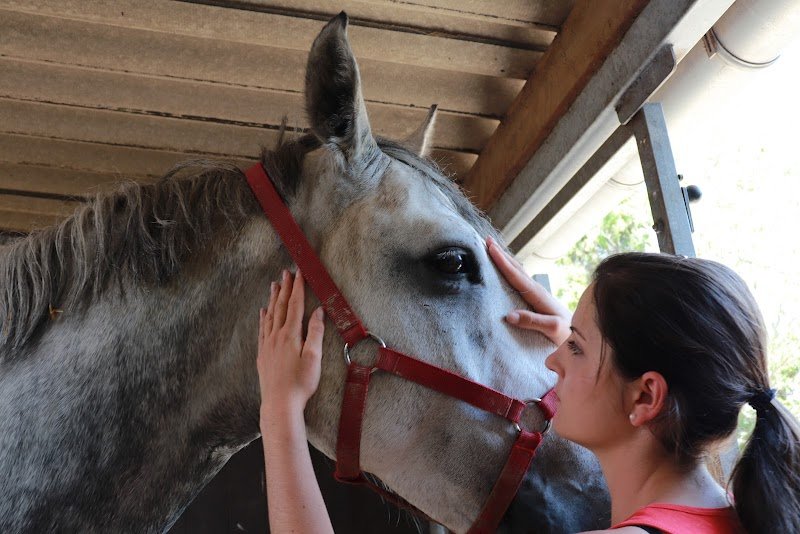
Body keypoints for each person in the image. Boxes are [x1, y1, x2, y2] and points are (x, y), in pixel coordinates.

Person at [256, 239, 800, 533]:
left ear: (645, 397)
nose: (552, 361)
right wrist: (597, 345)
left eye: (577, 348)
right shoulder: (740, 512)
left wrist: (279, 413)